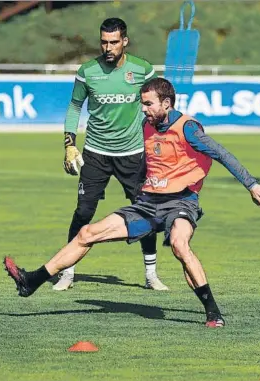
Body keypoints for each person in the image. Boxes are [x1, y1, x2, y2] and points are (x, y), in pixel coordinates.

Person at [4, 77, 260, 327]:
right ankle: (31, 281)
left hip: (181, 202)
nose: (143, 108)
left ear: (166, 103)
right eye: (142, 103)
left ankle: (213, 313)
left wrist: (252, 184)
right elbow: (150, 163)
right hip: (147, 204)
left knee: (180, 246)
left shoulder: (188, 128)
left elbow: (221, 153)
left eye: (148, 103)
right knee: (87, 233)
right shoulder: (147, 126)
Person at [55, 17, 168, 292]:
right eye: (104, 42)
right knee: (83, 212)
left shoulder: (142, 70)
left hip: (133, 154)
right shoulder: (87, 71)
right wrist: (69, 144)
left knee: (145, 212)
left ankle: (151, 274)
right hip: (95, 154)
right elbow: (74, 107)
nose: (108, 47)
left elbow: (156, 107)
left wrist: (161, 139)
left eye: (114, 42)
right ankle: (67, 272)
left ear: (124, 42)